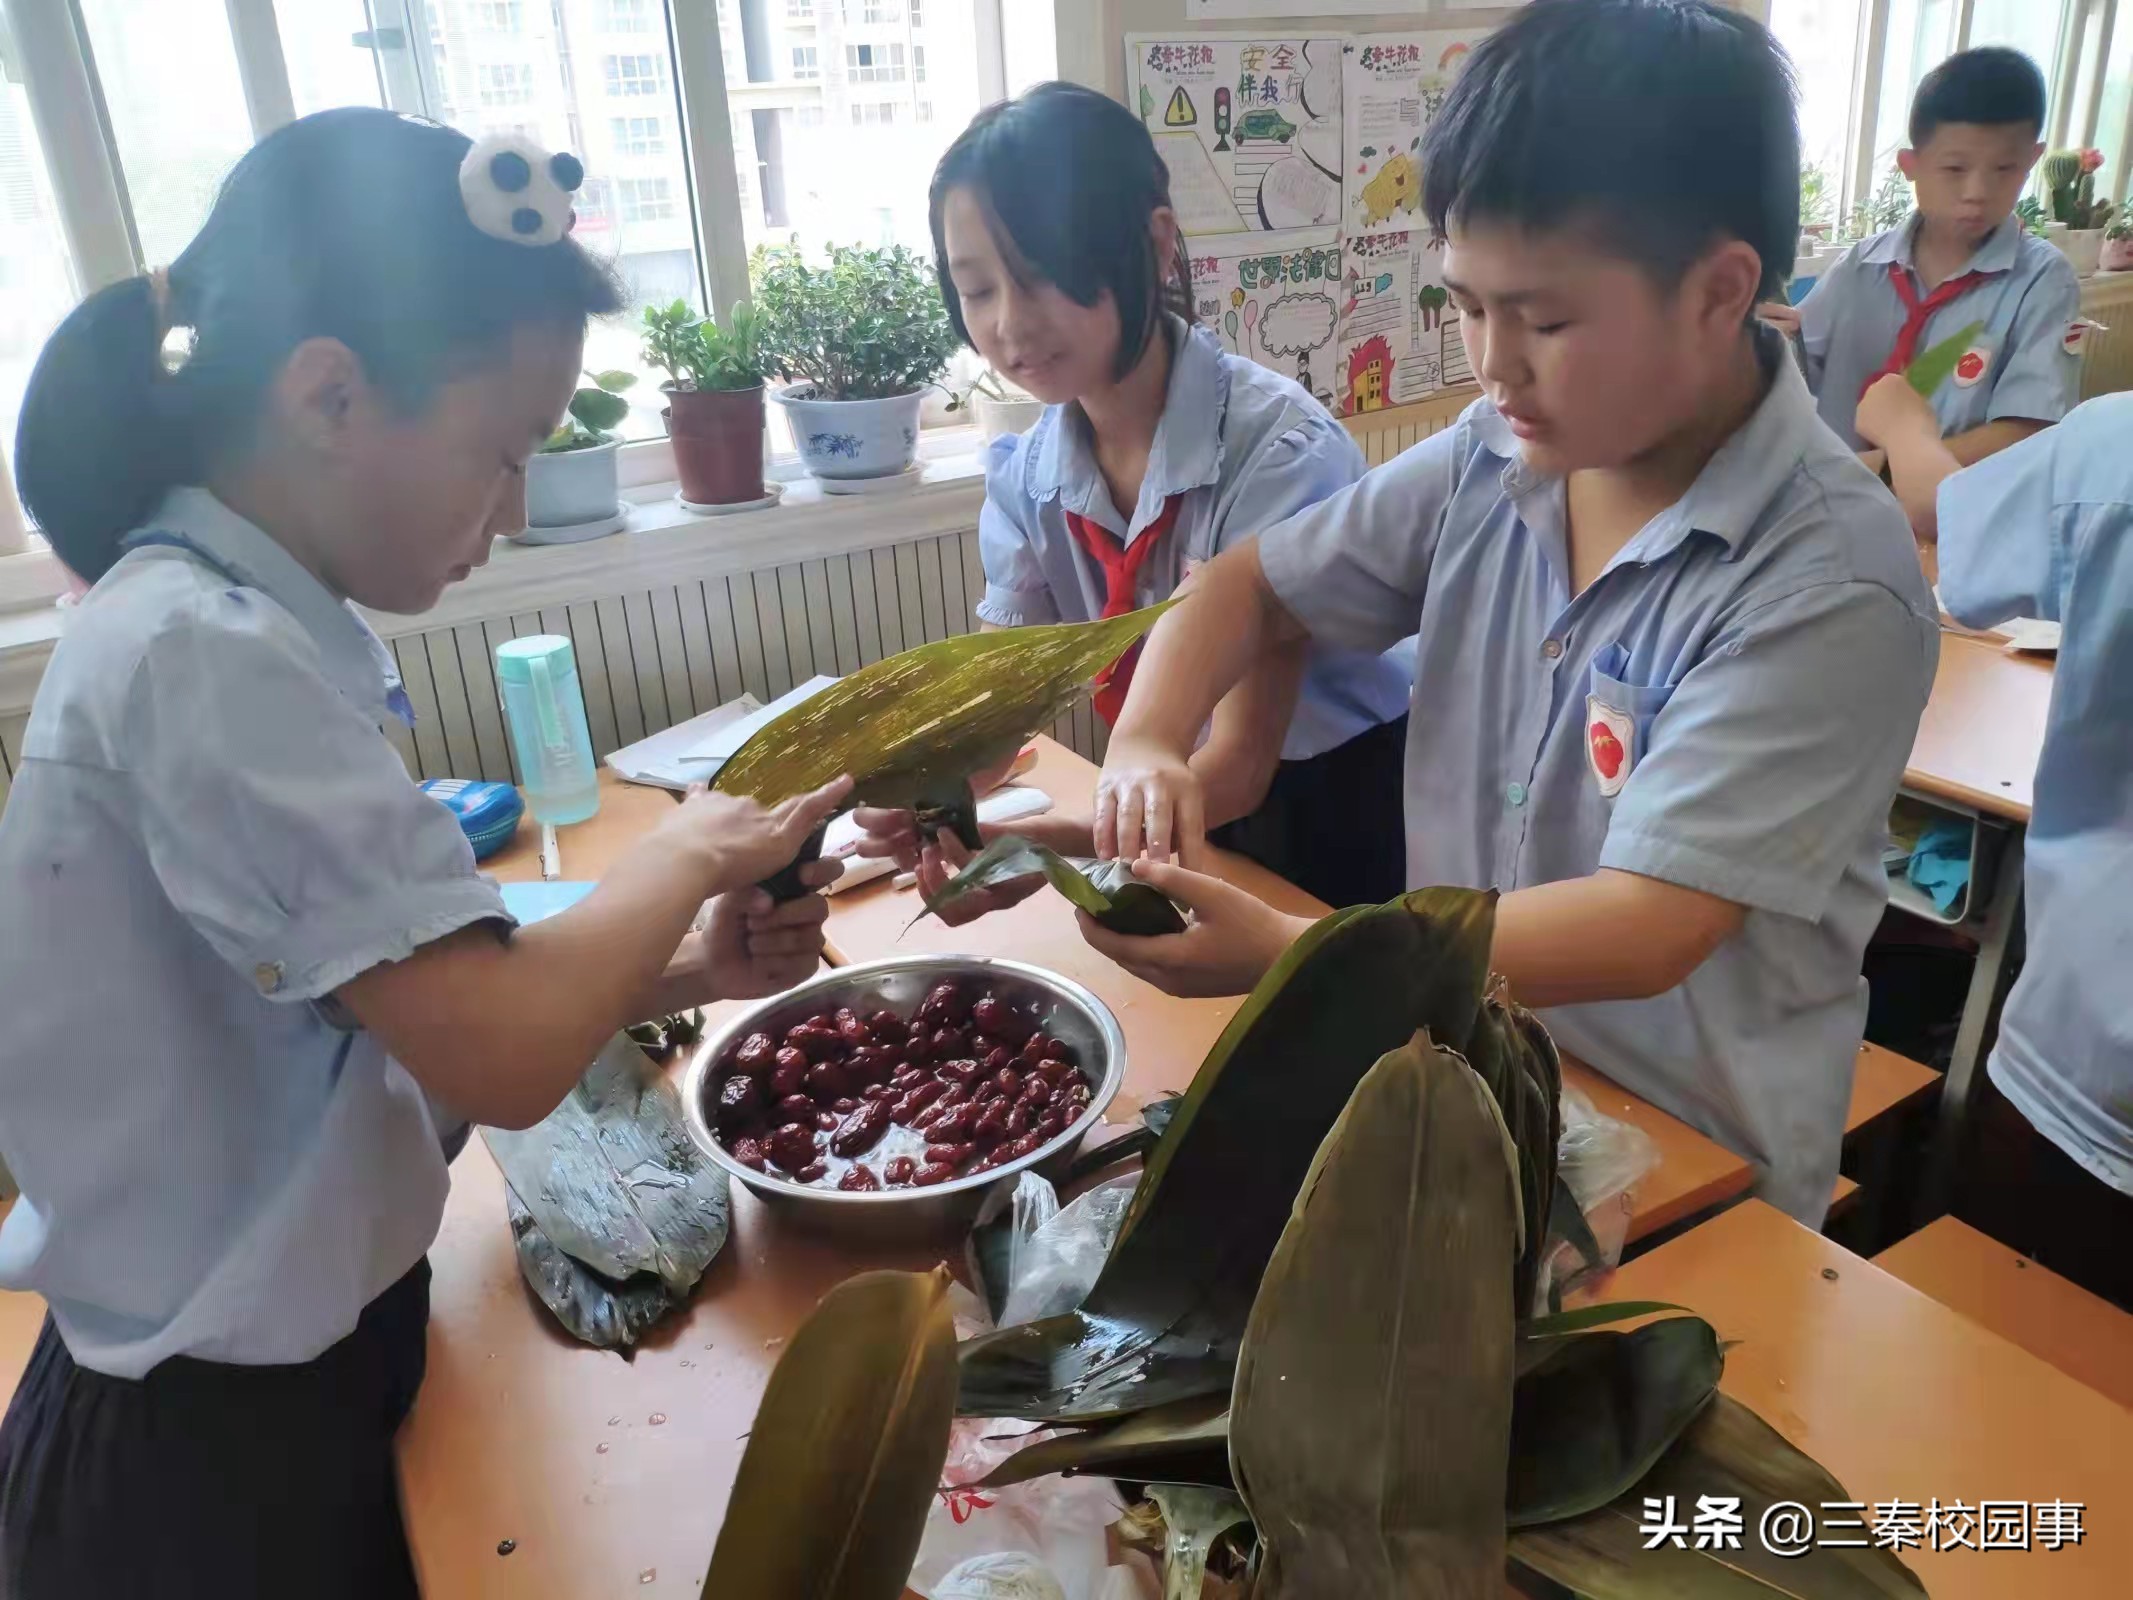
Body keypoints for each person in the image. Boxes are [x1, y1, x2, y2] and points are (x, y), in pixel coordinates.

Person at [0, 109, 848, 1597]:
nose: (512, 513)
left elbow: (387, 1003)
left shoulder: (242, 625)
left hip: (309, 1368)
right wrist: (692, 850)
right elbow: (500, 1053)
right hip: (204, 1472)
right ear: (330, 393)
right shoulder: (196, 653)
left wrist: (687, 956)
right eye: (501, 452)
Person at [1085, 0, 1940, 1227]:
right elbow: (1247, 586)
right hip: (1462, 1089)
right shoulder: (1497, 453)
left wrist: (1299, 957)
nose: (1492, 362)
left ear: (1720, 290)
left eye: (1543, 320)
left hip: (1685, 1166)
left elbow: (1650, 923)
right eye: (1468, 305)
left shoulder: (1827, 578)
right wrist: (1148, 740)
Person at [863, 83, 1411, 913]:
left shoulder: (1276, 455)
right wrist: (928, 801)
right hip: (1168, 802)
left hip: (1332, 799)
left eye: (1044, 275)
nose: (1010, 325)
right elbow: (999, 710)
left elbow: (1238, 766)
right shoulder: (1025, 475)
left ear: (1154, 244)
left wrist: (1054, 848)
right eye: (976, 290)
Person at [1858, 375, 2133, 1307]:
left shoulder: (2112, 449)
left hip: (2095, 1059)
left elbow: (1942, 512)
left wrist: (1899, 417)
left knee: (2028, 1357)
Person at [1764, 47, 2080, 467]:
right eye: (1954, 169)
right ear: (1909, 165)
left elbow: (2031, 431)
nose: (1977, 192)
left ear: (2034, 160)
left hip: (1952, 516)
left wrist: (1890, 469)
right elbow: (1800, 360)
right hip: (1834, 508)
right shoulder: (1862, 265)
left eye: (2005, 169)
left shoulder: (2042, 281)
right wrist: (1773, 341)